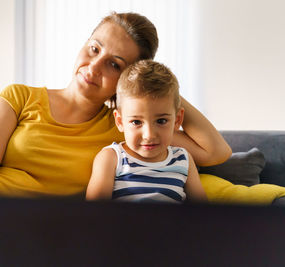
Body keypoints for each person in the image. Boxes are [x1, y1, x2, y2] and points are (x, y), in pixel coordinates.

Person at [0, 12, 231, 198]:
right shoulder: (19, 96)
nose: (94, 67)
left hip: (30, 235)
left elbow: (215, 151)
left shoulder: (123, 130)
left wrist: (148, 85)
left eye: (115, 65)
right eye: (94, 48)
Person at [86, 59, 207, 203]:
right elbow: (94, 215)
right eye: (136, 122)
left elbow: (203, 215)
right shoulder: (112, 158)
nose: (149, 135)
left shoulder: (183, 159)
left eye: (161, 121)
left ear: (177, 120)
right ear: (120, 121)